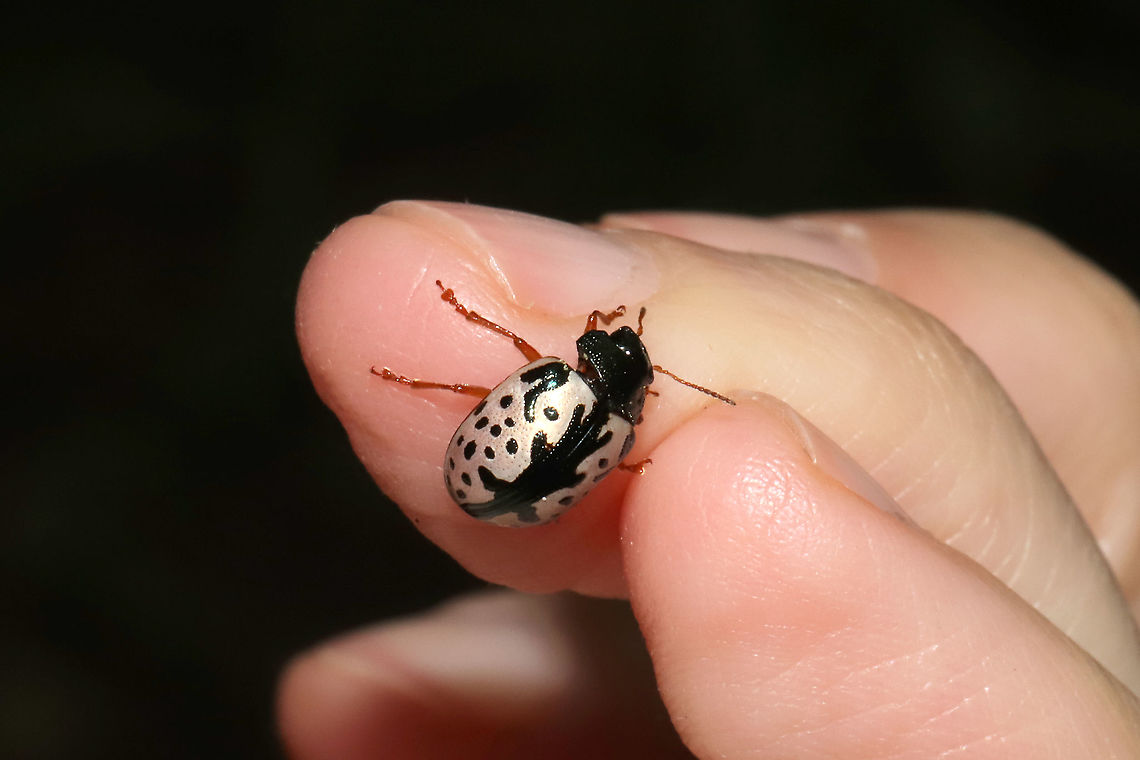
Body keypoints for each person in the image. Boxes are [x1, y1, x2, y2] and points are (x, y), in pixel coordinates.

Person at [280, 201, 1140, 758]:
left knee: (490, 378)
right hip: (501, 492)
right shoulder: (615, 423)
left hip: (500, 488)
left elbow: (497, 392)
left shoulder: (569, 388)